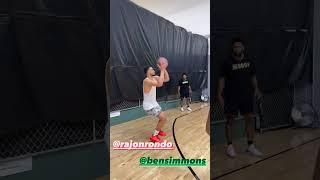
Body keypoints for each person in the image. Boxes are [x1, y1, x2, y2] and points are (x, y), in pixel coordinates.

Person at [217, 38, 263, 157]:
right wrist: (219, 95)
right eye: (235, 47)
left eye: (239, 46)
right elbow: (221, 80)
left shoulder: (249, 62)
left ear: (243, 48)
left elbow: (253, 77)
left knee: (250, 119)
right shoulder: (226, 63)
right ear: (232, 49)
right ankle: (230, 146)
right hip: (231, 96)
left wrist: (256, 89)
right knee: (230, 121)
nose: (237, 48)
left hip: (246, 95)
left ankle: (250, 145)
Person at [143, 60, 170, 143]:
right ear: (147, 72)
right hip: (149, 106)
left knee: (163, 118)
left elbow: (166, 79)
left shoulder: (154, 78)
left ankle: (158, 131)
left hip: (154, 104)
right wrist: (161, 70)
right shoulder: (146, 81)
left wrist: (164, 69)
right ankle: (154, 136)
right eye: (151, 69)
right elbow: (160, 84)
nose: (154, 70)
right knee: (163, 119)